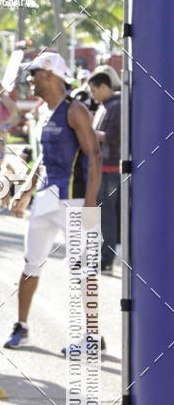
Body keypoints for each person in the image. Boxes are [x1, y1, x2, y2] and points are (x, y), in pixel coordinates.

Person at [3, 52, 102, 352]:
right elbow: (43, 159)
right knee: (31, 263)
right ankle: (21, 326)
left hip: (75, 201)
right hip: (46, 199)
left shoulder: (76, 110)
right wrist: (27, 192)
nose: (29, 79)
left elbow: (94, 155)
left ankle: (92, 337)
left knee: (85, 269)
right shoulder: (46, 111)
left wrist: (89, 205)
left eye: (33, 73)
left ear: (49, 74)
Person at [88, 66, 121, 273]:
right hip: (101, 167)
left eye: (94, 91)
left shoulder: (116, 106)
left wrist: (89, 132)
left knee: (107, 214)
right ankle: (104, 254)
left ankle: (107, 257)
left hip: (110, 167)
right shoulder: (104, 106)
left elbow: (112, 136)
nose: (92, 95)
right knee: (102, 213)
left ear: (103, 86)